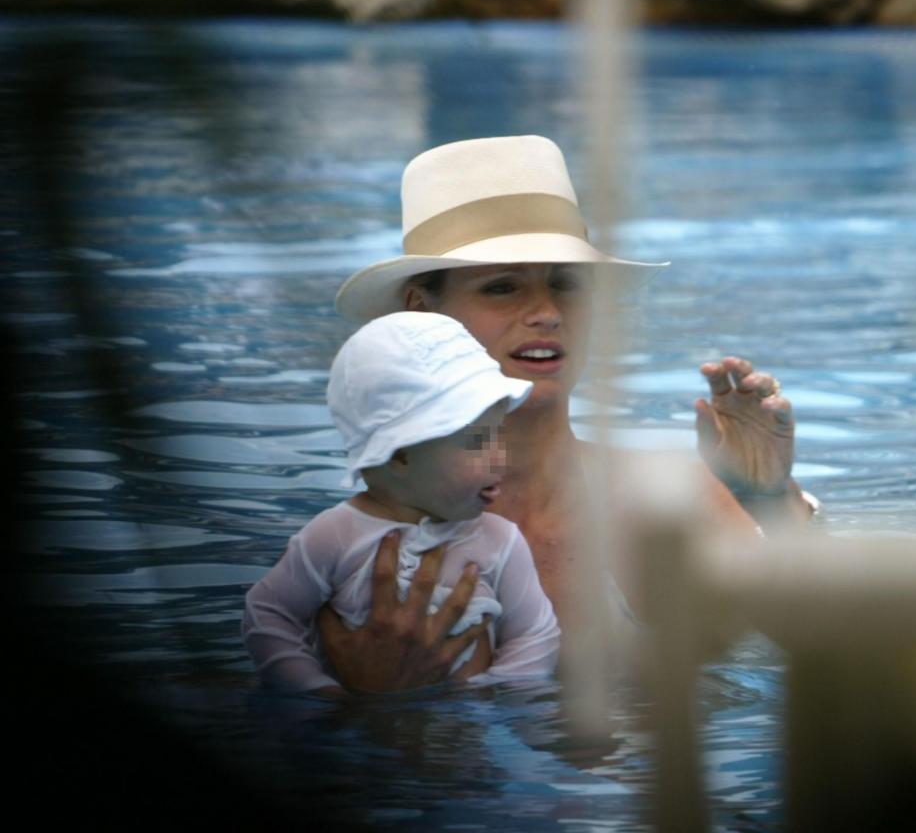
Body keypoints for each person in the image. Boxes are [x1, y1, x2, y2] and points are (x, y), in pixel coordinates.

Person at [321, 135, 814, 691]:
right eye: (503, 287)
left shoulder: (666, 501)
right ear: (422, 309)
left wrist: (768, 498)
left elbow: (831, 651)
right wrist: (375, 700)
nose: (547, 312)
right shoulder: (364, 547)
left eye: (566, 283)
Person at [242, 311, 560, 694]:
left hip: (473, 725)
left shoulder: (500, 540)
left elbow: (536, 634)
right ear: (400, 456)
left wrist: (493, 694)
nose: (500, 458)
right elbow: (270, 616)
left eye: (498, 434)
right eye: (478, 441)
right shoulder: (334, 536)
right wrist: (319, 694)